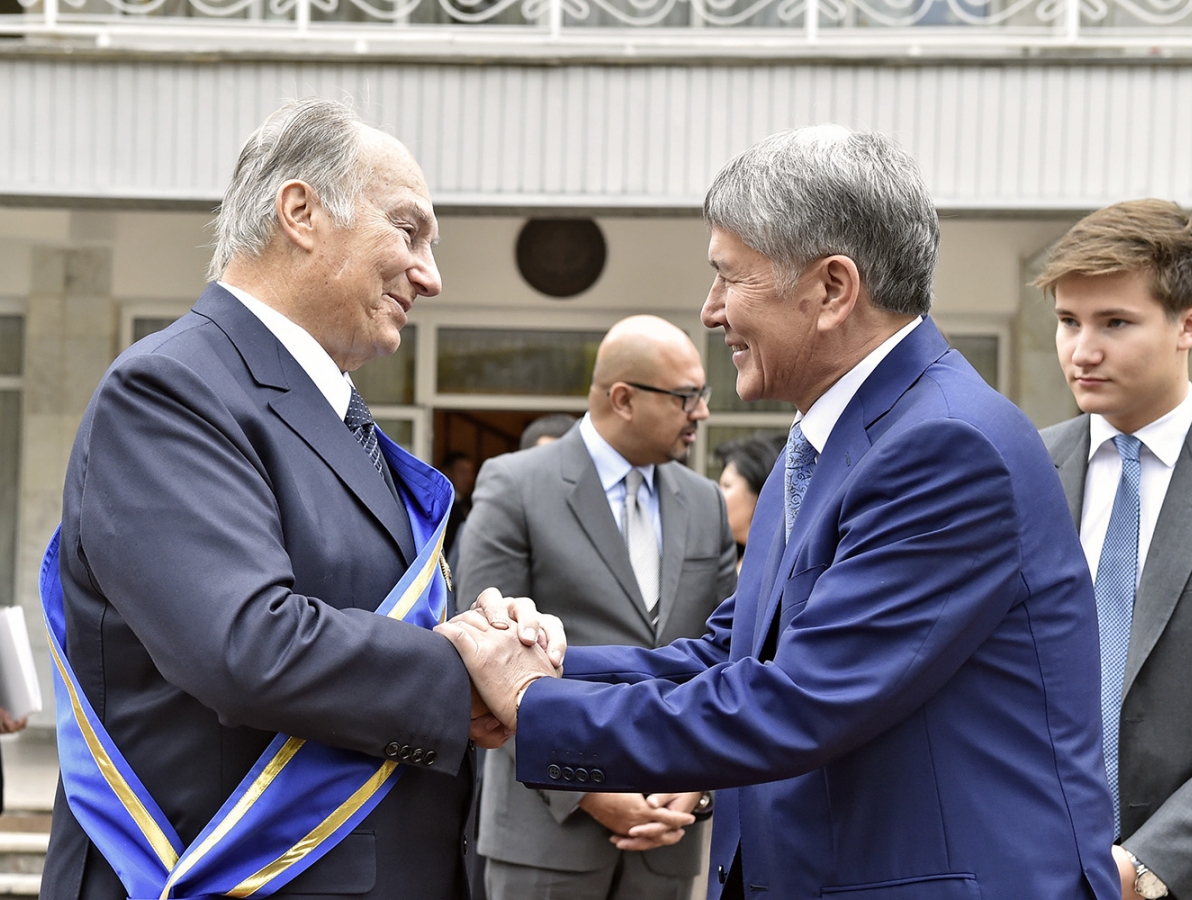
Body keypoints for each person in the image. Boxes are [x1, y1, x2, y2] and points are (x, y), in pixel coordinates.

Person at [438, 125, 1120, 900]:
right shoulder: (828, 442)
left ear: (832, 288)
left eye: (731, 278)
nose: (711, 310)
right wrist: (541, 668)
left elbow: (798, 700)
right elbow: (730, 659)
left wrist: (530, 702)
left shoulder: (945, 448)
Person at [41, 98, 558, 900]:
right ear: (301, 212)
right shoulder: (172, 389)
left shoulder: (327, 412)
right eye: (409, 231)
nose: (431, 274)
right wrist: (467, 673)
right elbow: (245, 645)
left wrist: (493, 651)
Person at [1038, 199, 1192, 900]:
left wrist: (1149, 865)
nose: (1082, 350)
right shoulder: (1019, 474)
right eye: (1068, 321)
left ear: (1189, 325)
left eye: (1115, 322)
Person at [457, 314, 738, 900]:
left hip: (668, 832)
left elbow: (725, 658)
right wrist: (589, 791)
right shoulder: (515, 484)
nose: (702, 413)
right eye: (688, 397)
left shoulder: (705, 502)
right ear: (623, 398)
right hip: (547, 831)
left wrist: (695, 781)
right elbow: (484, 656)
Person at [713, 432, 786, 570]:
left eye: (727, 486)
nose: (717, 495)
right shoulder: (723, 561)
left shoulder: (777, 566)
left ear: (760, 493)